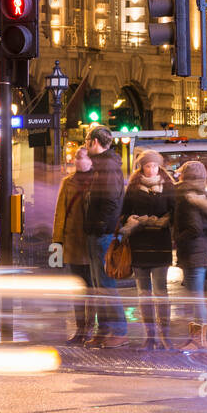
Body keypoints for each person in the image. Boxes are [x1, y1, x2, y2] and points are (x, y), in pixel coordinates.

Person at [120, 150, 175, 350]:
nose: (151, 169)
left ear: (159, 166)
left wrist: (164, 221)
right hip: (139, 243)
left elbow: (174, 211)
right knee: (143, 292)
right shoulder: (133, 188)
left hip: (160, 244)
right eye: (147, 165)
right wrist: (133, 220)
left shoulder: (168, 186)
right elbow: (124, 212)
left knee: (161, 291)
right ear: (141, 166)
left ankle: (165, 336)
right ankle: (150, 336)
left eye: (154, 165)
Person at [171, 160, 207, 353]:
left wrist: (176, 238)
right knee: (195, 297)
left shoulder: (187, 197)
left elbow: (193, 227)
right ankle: (194, 338)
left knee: (196, 298)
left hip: (193, 251)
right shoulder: (202, 195)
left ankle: (199, 340)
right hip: (198, 250)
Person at [81, 126, 127, 348]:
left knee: (106, 285)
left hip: (102, 233)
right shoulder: (101, 166)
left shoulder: (107, 166)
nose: (84, 144)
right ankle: (105, 329)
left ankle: (118, 330)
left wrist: (98, 227)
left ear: (95, 142)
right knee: (98, 285)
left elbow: (110, 201)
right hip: (97, 232)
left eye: (87, 140)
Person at [51, 145, 94, 344]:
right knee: (78, 288)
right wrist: (57, 242)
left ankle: (91, 328)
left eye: (83, 157)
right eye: (77, 157)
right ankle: (80, 328)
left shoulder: (98, 180)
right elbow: (60, 214)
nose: (79, 161)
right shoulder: (67, 182)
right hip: (74, 243)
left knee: (93, 289)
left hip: (92, 243)